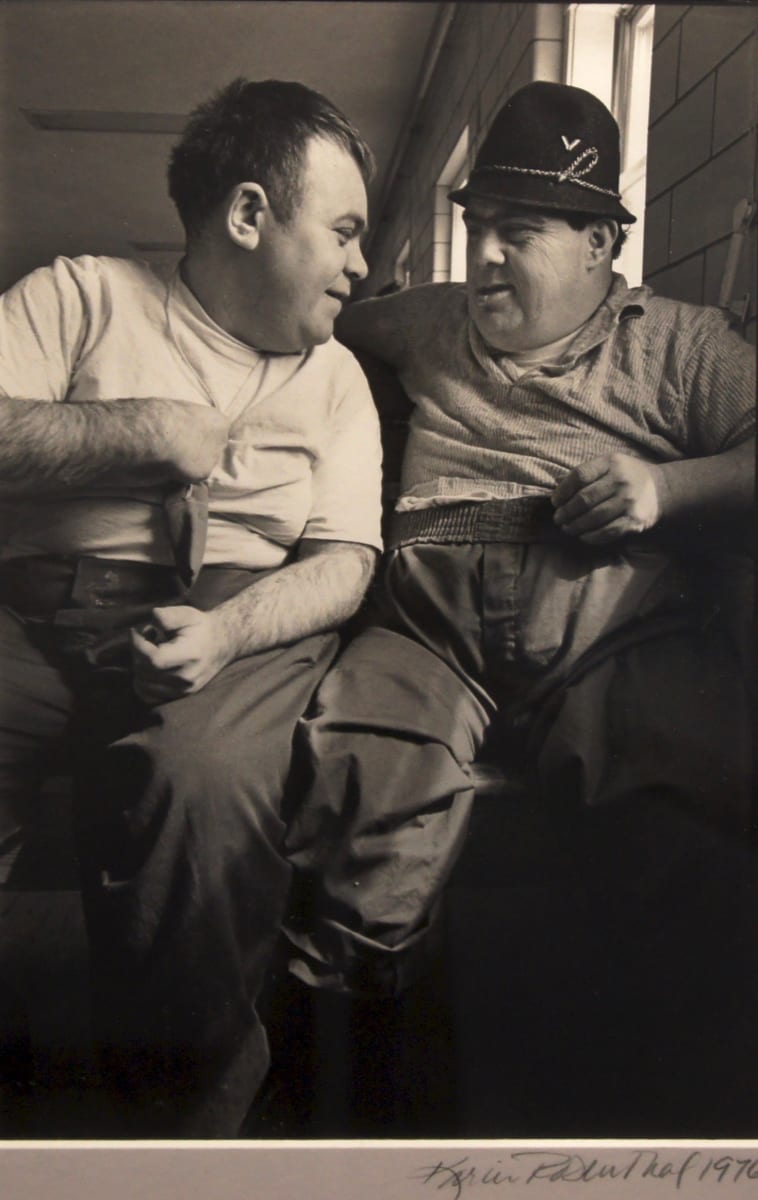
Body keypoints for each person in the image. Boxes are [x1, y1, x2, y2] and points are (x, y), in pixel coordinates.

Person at [283, 81, 755, 1005]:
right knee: (354, 789)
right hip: (424, 630)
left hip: (612, 631)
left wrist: (668, 487)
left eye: (520, 232)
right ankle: (356, 1062)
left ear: (600, 244)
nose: (486, 258)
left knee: (694, 819)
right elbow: (300, 323)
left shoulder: (681, 346)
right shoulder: (426, 317)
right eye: (478, 226)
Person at [0, 78, 382, 1137]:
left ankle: (186, 1111)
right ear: (250, 215)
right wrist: (142, 432)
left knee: (199, 780)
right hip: (29, 612)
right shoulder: (82, 296)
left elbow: (347, 558)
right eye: (344, 232)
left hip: (235, 621)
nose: (362, 264)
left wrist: (225, 632)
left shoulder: (339, 379)